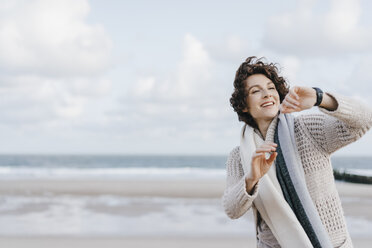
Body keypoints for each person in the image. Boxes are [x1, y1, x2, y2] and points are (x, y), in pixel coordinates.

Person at [222, 56, 372, 248]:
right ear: (243, 104)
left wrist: (320, 98)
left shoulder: (307, 130)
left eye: (271, 88)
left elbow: (365, 120)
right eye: (256, 91)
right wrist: (252, 178)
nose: (267, 94)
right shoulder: (240, 156)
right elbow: (231, 209)